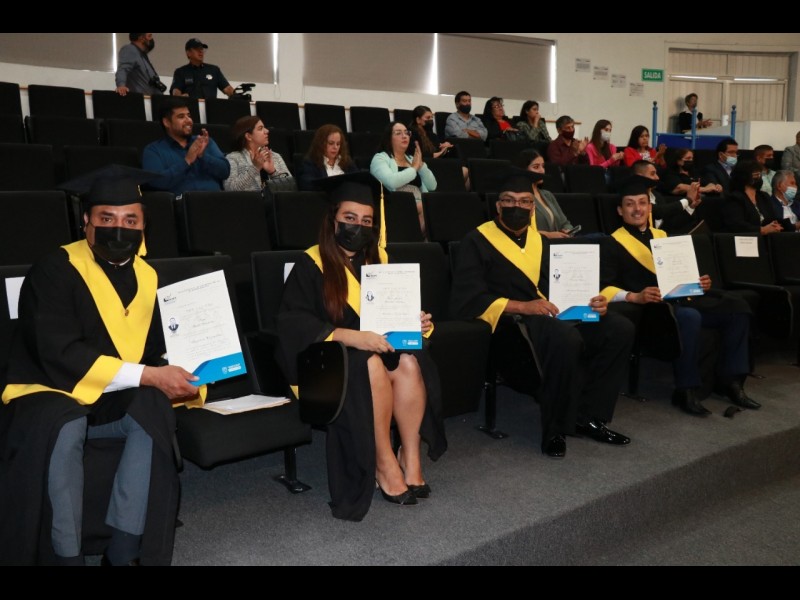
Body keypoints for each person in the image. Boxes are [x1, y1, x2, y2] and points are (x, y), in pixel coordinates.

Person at [0, 165, 202, 566]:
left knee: (151, 407)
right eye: (107, 219)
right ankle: (66, 556)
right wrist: (148, 375)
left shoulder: (148, 277)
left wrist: (192, 367)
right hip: (46, 391)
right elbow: (59, 353)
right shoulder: (55, 270)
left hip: (109, 396)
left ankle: (124, 550)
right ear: (86, 222)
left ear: (143, 226)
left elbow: (154, 350)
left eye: (130, 220)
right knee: (66, 422)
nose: (119, 229)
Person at [277, 172, 446, 521]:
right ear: (333, 220)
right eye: (349, 218)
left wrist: (416, 322)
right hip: (327, 360)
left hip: (376, 349)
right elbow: (293, 325)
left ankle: (410, 456)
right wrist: (351, 336)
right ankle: (383, 461)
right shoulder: (310, 264)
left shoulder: (378, 262)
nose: (358, 227)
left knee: (410, 362)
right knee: (368, 362)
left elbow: (393, 315)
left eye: (366, 221)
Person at [450, 168, 634, 458]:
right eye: (509, 200)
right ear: (498, 205)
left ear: (533, 207)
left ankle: (588, 416)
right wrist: (523, 306)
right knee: (566, 339)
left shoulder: (541, 242)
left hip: (550, 313)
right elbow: (467, 299)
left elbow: (561, 286)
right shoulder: (477, 240)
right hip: (513, 323)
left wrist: (592, 300)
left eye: (525, 201)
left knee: (618, 328)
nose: (517, 207)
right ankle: (555, 428)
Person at [600, 176, 759, 416]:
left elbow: (678, 275)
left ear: (650, 207)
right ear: (620, 210)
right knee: (689, 317)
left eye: (642, 203)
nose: (637, 209)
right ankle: (686, 389)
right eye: (630, 204)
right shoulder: (612, 243)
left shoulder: (662, 236)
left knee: (737, 308)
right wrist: (633, 296)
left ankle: (731, 381)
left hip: (681, 300)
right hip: (651, 311)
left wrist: (698, 282)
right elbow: (603, 288)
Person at [142, 98, 230, 196]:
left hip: (215, 200)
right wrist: (186, 162)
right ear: (166, 122)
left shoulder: (205, 142)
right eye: (181, 117)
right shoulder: (153, 150)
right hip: (181, 203)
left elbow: (225, 172)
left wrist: (203, 156)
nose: (189, 120)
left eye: (189, 116)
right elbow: (156, 182)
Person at [370, 122, 437, 235]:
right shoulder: (380, 158)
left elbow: (432, 186)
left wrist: (421, 166)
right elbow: (391, 182)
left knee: (438, 205)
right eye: (398, 133)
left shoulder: (412, 159)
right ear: (389, 138)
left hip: (419, 201)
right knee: (427, 207)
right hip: (395, 202)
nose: (404, 136)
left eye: (406, 133)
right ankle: (417, 239)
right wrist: (414, 169)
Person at [223, 116, 293, 193]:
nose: (267, 131)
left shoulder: (275, 156)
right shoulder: (233, 158)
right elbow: (230, 189)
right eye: (260, 128)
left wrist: (273, 172)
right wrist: (255, 168)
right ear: (248, 136)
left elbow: (290, 189)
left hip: (274, 201)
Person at [515, 149, 575, 238]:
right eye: (536, 167)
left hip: (558, 244)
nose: (542, 171)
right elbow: (519, 231)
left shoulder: (548, 195)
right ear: (523, 170)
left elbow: (565, 223)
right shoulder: (517, 197)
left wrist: (567, 230)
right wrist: (548, 235)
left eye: (543, 166)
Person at [632, 161, 703, 236]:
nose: (657, 177)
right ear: (639, 177)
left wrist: (691, 206)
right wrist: (688, 200)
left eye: (656, 174)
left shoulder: (657, 196)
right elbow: (659, 212)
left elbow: (670, 223)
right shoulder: (634, 196)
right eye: (652, 174)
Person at [720, 160, 783, 235]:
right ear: (744, 177)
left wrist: (775, 226)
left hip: (768, 237)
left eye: (760, 174)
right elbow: (736, 224)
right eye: (756, 175)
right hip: (746, 238)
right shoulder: (734, 198)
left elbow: (772, 218)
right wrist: (761, 230)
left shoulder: (764, 196)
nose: (759, 177)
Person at [298, 124, 358, 191]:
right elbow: (307, 185)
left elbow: (358, 182)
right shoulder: (310, 163)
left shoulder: (347, 161)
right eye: (331, 143)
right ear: (320, 143)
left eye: (338, 144)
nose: (335, 147)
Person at [170, 38, 235, 100]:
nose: (201, 51)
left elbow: (228, 89)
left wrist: (238, 97)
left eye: (201, 49)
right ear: (188, 53)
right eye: (197, 49)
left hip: (210, 106)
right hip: (191, 106)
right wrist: (180, 98)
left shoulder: (214, 70)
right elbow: (176, 91)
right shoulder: (180, 72)